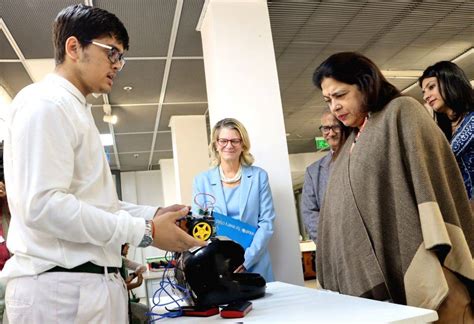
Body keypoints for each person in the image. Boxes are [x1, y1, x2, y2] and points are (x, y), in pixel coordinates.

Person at [1, 4, 204, 323]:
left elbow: (94, 204)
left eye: (121, 56)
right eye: (111, 52)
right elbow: (42, 206)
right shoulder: (45, 104)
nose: (118, 64)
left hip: (85, 287)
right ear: (73, 47)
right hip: (60, 292)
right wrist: (146, 231)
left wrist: (153, 215)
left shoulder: (74, 109)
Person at [313, 52, 473, 322]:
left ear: (365, 84)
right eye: (328, 100)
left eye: (340, 95)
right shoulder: (352, 139)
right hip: (378, 268)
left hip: (422, 253)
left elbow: (430, 182)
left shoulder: (401, 112)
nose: (335, 107)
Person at [192, 118, 276, 282]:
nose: (229, 145)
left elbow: (267, 222)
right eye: (223, 140)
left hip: (255, 261)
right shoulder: (201, 181)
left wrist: (248, 259)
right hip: (219, 265)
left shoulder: (259, 176)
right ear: (216, 144)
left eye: (235, 141)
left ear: (243, 144)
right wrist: (220, 260)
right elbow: (200, 225)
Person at [419, 61, 474, 201]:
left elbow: (444, 159)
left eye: (431, 87)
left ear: (450, 83)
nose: (426, 96)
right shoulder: (447, 130)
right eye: (424, 92)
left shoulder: (472, 120)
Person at [301, 109, 349, 243]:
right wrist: (327, 243)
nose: (331, 133)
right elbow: (309, 211)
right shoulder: (313, 171)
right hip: (332, 244)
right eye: (326, 128)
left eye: (335, 127)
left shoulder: (359, 157)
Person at [120, 244, 148, 324]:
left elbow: (143, 267)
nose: (128, 247)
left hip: (125, 301)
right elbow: (121, 287)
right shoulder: (116, 262)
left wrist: (133, 275)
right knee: (146, 312)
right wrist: (136, 282)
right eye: (126, 245)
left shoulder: (122, 260)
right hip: (120, 304)